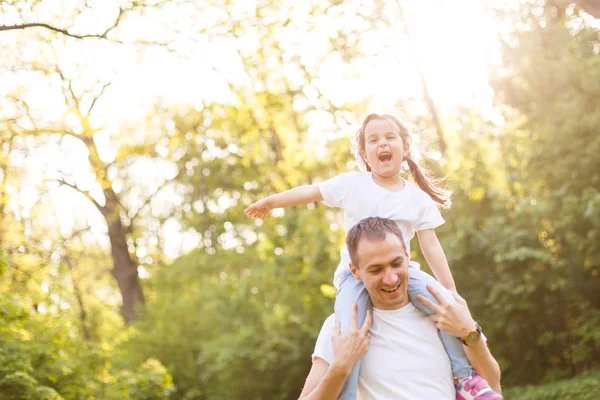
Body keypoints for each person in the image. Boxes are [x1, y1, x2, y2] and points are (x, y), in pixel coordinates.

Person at [245, 113, 502, 399]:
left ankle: (464, 379)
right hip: (352, 280)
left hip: (411, 272)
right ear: (364, 155)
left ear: (405, 147)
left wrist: (451, 291)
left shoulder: (417, 198)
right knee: (349, 332)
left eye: (390, 137)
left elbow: (431, 246)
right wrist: (271, 201)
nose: (383, 144)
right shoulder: (353, 185)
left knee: (443, 304)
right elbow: (311, 192)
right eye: (373, 139)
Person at [298, 217, 502, 399]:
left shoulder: (445, 312)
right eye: (376, 269)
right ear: (355, 271)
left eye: (396, 263)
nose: (391, 278)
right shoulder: (342, 329)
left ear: (407, 256)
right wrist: (341, 367)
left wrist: (469, 332)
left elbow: (492, 385)